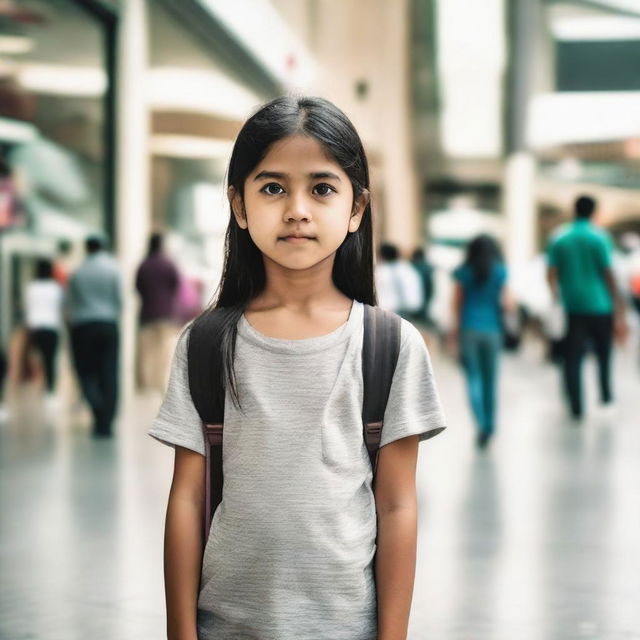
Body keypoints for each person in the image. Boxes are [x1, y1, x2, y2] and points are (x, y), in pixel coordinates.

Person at [147, 96, 447, 640]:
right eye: (273, 187)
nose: (297, 209)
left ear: (356, 209)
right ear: (239, 206)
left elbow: (399, 503)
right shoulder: (206, 343)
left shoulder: (389, 345)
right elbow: (187, 498)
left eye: (322, 188)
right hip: (227, 626)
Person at [547, 195, 628, 420]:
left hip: (572, 306)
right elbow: (608, 273)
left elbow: (551, 273)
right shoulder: (600, 238)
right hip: (600, 305)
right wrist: (618, 303)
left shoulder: (560, 238)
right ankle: (605, 396)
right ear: (594, 211)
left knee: (572, 357)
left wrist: (556, 296)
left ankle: (576, 405)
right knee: (603, 352)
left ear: (574, 210)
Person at [450, 234, 512, 450]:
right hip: (493, 330)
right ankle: (491, 425)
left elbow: (456, 305)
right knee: (490, 380)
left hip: (469, 329)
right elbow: (508, 304)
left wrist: (453, 335)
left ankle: (481, 424)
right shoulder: (500, 272)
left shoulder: (462, 273)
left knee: (473, 378)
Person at [66, 235, 122, 437]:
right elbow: (119, 299)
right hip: (108, 324)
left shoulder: (77, 272)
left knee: (86, 372)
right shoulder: (114, 268)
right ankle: (106, 420)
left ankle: (97, 409)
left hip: (83, 327)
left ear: (86, 248)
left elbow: (69, 304)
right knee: (109, 372)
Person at [135, 232, 180, 394]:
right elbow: (176, 286)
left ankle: (148, 388)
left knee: (147, 352)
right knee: (164, 352)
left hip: (147, 315)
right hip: (165, 315)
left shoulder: (143, 265)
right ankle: (161, 385)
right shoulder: (169, 264)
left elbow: (138, 288)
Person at [24, 259, 64, 400]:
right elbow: (61, 308)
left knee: (36, 358)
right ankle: (49, 390)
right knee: (50, 359)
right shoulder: (55, 288)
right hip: (51, 327)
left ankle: (38, 385)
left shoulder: (32, 287)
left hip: (36, 327)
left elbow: (28, 309)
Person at [375, 242, 424, 320]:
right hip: (408, 311)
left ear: (381, 255)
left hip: (392, 313)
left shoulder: (381, 271)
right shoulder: (407, 268)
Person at [410, 246, 434, 326]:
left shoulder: (411, 266)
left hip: (413, 299)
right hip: (425, 297)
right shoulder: (428, 268)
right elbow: (430, 286)